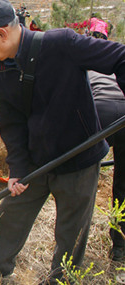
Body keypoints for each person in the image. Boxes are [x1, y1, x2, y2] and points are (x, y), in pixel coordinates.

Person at [0, 0, 125, 284]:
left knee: (71, 231)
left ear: (2, 34)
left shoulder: (62, 45)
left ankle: (61, 279)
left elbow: (119, 57)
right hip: (36, 160)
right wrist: (17, 168)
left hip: (79, 159)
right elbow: (11, 126)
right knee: (12, 212)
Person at [88, 71, 125, 261]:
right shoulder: (118, 66)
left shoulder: (88, 69)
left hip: (102, 112)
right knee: (123, 187)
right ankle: (120, 247)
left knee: (84, 178)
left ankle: (76, 239)